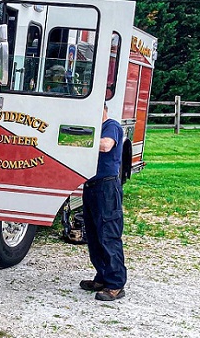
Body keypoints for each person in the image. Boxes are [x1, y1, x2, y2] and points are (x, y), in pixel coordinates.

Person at [79, 102, 127, 301]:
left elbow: (106, 145)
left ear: (102, 110)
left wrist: (80, 138)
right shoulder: (95, 129)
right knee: (93, 235)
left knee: (108, 234)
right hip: (91, 186)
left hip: (107, 187)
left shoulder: (111, 126)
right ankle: (102, 277)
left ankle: (115, 284)